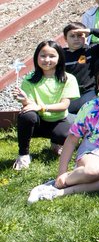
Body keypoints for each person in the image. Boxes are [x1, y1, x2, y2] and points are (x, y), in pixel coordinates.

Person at [28, 66, 99, 203]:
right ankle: (66, 179)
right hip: (95, 151)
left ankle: (62, 192)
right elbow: (72, 139)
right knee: (93, 171)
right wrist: (62, 172)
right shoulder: (90, 108)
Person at [12, 41, 81, 171]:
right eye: (43, 56)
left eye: (52, 56)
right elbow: (30, 107)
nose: (47, 60)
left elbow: (64, 105)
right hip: (38, 121)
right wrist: (25, 100)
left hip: (59, 120)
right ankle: (23, 154)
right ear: (36, 57)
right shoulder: (29, 79)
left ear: (59, 57)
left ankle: (56, 142)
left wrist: (42, 107)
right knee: (26, 115)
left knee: (66, 134)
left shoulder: (69, 78)